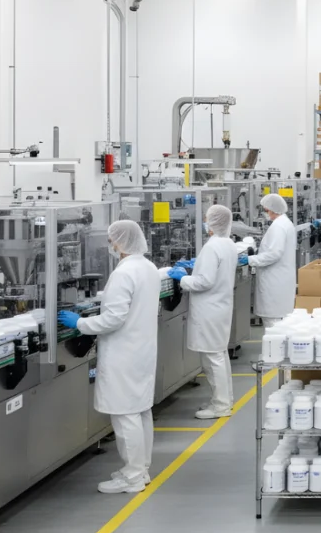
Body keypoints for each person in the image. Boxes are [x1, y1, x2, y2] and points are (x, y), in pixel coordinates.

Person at [58, 221, 159, 494]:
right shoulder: (148, 268)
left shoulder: (124, 273)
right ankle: (142, 469)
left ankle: (133, 477)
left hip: (124, 353)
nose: (112, 246)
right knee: (140, 411)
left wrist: (79, 323)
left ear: (121, 243)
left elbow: (113, 319)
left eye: (113, 241)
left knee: (125, 414)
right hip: (142, 350)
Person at [168, 204, 237, 420]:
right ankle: (225, 400)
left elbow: (205, 281)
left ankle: (220, 407)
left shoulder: (212, 247)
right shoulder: (227, 244)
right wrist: (197, 264)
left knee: (213, 359)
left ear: (213, 222)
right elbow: (214, 270)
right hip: (220, 307)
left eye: (207, 218)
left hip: (210, 309)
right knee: (219, 355)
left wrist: (183, 278)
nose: (205, 222)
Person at [240, 193, 296, 330]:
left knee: (273, 324)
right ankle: (274, 351)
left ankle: (273, 351)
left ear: (271, 209)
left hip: (275, 281)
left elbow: (274, 254)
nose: (265, 213)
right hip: (280, 279)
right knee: (278, 323)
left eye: (265, 210)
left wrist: (250, 259)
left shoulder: (278, 226)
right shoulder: (285, 223)